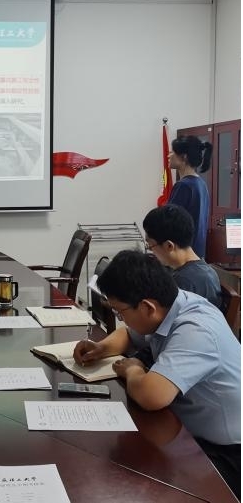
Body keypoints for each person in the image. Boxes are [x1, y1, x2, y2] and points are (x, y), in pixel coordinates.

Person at [73, 250, 240, 497]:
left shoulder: (196, 330)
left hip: (225, 454)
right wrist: (102, 348)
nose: (121, 319)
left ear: (147, 307)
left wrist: (133, 369)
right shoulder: (171, 305)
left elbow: (151, 396)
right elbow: (128, 334)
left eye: (120, 312)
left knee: (136, 485)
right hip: (186, 432)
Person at [142, 204, 222, 310]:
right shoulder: (204, 269)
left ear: (169, 246)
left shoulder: (184, 283)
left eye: (150, 246)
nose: (151, 250)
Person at [168, 135, 212, 258]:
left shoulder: (183, 186)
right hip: (197, 255)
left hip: (182, 257)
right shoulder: (201, 184)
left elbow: (168, 224)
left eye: (172, 152)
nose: (169, 155)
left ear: (184, 157)